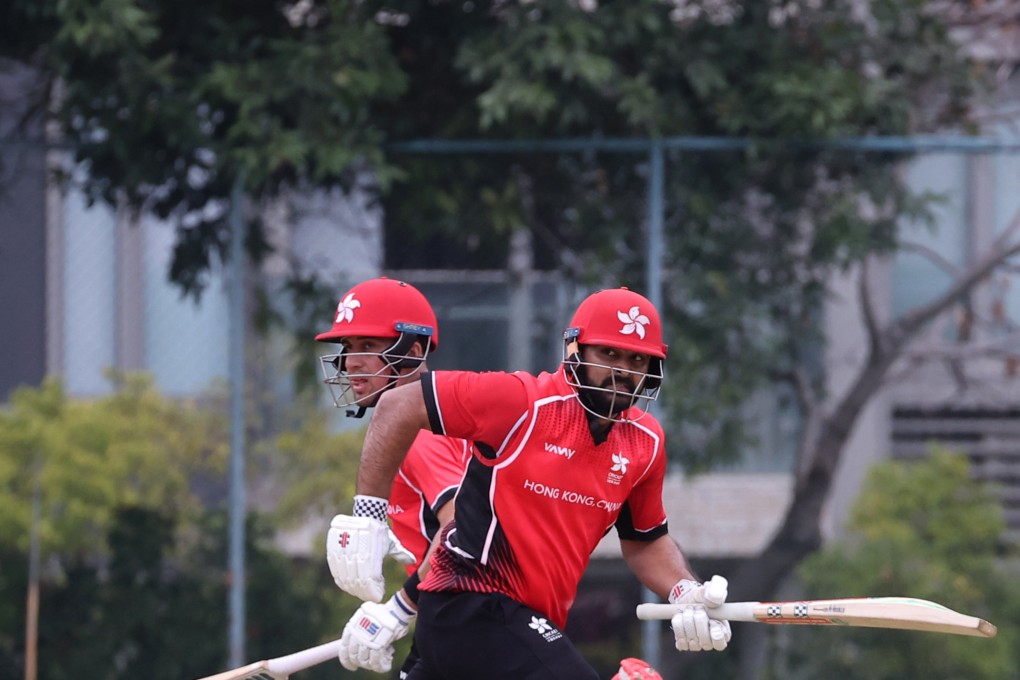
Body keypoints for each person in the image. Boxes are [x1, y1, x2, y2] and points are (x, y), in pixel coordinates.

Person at [329, 286, 732, 678]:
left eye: (636, 360)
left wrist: (684, 592)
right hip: (472, 605)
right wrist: (368, 515)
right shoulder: (521, 402)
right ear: (575, 351)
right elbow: (400, 403)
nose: (622, 370)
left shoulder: (646, 443)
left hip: (513, 628)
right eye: (608, 353)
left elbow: (645, 541)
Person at [316, 277, 470, 677]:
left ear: (413, 351)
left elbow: (461, 528)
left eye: (368, 346)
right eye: (348, 348)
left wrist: (398, 609)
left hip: (472, 616)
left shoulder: (417, 431)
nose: (351, 362)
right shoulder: (422, 420)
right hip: (453, 612)